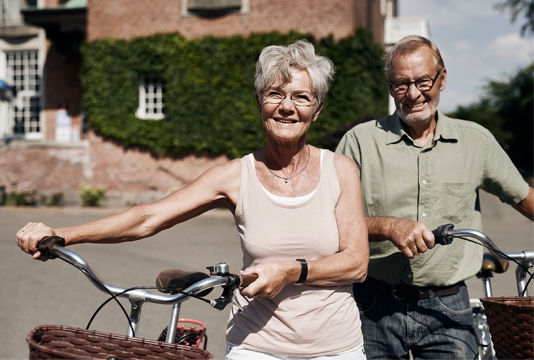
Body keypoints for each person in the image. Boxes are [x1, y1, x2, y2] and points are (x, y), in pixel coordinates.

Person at [17, 40, 369, 360]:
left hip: (336, 348)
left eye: (301, 97)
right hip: (257, 347)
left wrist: (292, 270)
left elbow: (356, 263)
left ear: (317, 109)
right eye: (275, 93)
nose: (287, 107)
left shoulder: (340, 170)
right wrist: (63, 235)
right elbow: (148, 217)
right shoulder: (234, 176)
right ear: (259, 102)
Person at [336, 35, 533, 360]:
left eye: (422, 81)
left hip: (449, 306)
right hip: (373, 302)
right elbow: (330, 217)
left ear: (442, 78)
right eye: (401, 84)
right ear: (390, 86)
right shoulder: (359, 142)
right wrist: (387, 226)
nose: (413, 94)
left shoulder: (476, 141)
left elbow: (523, 196)